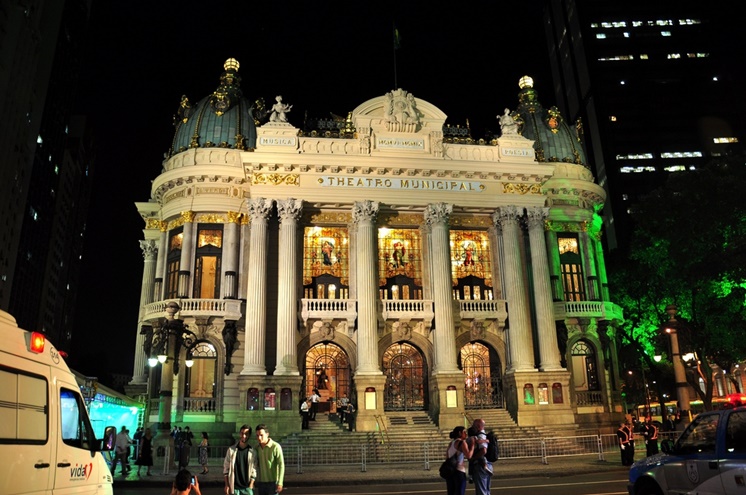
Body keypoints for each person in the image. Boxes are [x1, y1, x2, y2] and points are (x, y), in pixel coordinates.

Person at [223, 425, 257, 495]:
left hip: (247, 488)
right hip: (234, 488)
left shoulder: (252, 452)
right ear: (239, 434)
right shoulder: (231, 450)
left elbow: (254, 469)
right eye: (242, 433)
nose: (244, 436)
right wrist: (226, 485)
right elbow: (226, 468)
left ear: (249, 435)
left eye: (246, 434)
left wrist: (251, 484)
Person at [255, 424, 285, 495]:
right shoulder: (256, 448)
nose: (259, 437)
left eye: (261, 435)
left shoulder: (275, 447)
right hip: (261, 482)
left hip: (273, 482)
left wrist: (280, 482)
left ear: (267, 434)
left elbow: (281, 465)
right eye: (257, 435)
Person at [445, 426, 475, 495]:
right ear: (460, 433)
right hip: (459, 471)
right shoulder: (462, 443)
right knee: (460, 492)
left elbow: (447, 457)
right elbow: (469, 456)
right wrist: (472, 446)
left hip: (450, 471)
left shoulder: (451, 443)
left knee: (451, 492)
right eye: (464, 432)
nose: (466, 434)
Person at [468, 419, 491, 495]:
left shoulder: (480, 436)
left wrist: (473, 458)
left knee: (481, 491)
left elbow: (483, 451)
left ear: (478, 426)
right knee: (486, 490)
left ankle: (470, 476)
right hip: (488, 463)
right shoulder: (484, 435)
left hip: (480, 465)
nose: (472, 427)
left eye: (473, 425)